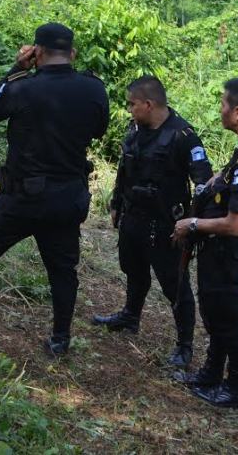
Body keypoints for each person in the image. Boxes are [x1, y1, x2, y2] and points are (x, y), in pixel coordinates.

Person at [0, 22, 110, 356]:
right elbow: (100, 130)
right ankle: (60, 339)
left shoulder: (23, 87)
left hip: (24, 199)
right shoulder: (94, 89)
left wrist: (17, 68)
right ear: (72, 53)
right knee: (62, 268)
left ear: (37, 52)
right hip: (69, 198)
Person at [171, 77, 238, 408]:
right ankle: (210, 374)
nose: (219, 110)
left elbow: (234, 225)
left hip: (227, 251)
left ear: (237, 112)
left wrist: (191, 223)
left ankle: (235, 389)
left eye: (222, 105)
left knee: (230, 322)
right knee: (217, 316)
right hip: (220, 252)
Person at [92, 76, 212, 369]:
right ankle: (130, 316)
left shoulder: (183, 136)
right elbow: (124, 168)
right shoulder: (135, 129)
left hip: (166, 226)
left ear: (148, 104)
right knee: (133, 270)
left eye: (133, 104)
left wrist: (192, 224)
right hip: (134, 217)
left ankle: (184, 347)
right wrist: (116, 204)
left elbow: (204, 184)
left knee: (175, 286)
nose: (129, 109)